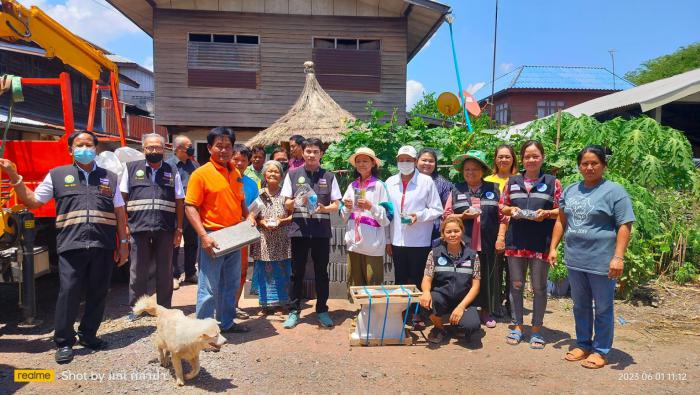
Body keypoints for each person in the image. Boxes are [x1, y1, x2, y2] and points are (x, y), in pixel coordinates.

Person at [0, 131, 129, 363]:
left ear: (96, 149)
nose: (85, 148)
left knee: (99, 293)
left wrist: (124, 243)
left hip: (103, 243)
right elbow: (33, 201)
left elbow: (119, 211)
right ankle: (64, 342)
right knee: (69, 292)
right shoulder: (57, 175)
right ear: (70, 150)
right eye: (79, 145)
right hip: (71, 244)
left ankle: (89, 335)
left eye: (89, 145)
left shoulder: (109, 177)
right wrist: (14, 176)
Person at [549, 145, 635, 369]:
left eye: (594, 163)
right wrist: (553, 247)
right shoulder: (570, 190)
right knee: (580, 305)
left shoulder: (614, 191)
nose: (589, 167)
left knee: (604, 307)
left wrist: (618, 257)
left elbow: (625, 225)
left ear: (603, 165)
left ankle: (600, 350)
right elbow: (561, 220)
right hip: (575, 259)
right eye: (585, 163)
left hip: (602, 261)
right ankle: (583, 343)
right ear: (579, 166)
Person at [185, 127, 250, 333]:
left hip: (235, 234)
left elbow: (240, 201)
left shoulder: (236, 172)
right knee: (209, 286)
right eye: (219, 146)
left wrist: (248, 215)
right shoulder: (200, 174)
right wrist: (203, 236)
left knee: (230, 284)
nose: (223, 150)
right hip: (213, 235)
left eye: (227, 146)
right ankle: (203, 330)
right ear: (210, 148)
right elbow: (190, 207)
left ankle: (227, 323)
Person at [500, 140, 561, 348]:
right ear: (522, 159)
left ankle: (536, 330)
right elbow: (503, 206)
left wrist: (546, 213)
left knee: (539, 287)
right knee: (516, 286)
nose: (531, 160)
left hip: (540, 242)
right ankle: (517, 327)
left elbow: (560, 212)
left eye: (535, 156)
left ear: (542, 157)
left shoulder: (553, 182)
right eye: (527, 156)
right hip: (516, 241)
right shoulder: (512, 181)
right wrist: (512, 211)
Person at [281, 137, 341, 328]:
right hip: (299, 230)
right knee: (296, 272)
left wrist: (324, 209)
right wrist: (298, 201)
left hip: (321, 231)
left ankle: (322, 310)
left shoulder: (329, 176)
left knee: (321, 272)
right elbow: (286, 203)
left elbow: (336, 205)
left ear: (321, 154)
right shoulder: (292, 174)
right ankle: (293, 311)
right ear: (302, 152)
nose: (312, 155)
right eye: (308, 151)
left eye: (316, 151)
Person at [121, 133, 184, 314]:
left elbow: (180, 201)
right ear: (143, 149)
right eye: (150, 147)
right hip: (138, 227)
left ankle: (164, 308)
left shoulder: (172, 171)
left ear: (164, 150)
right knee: (138, 270)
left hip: (165, 228)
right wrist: (125, 225)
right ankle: (137, 309)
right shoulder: (131, 168)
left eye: (158, 147)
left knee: (165, 271)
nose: (154, 150)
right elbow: (122, 199)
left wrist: (179, 228)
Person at [444, 150, 504, 329]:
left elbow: (503, 216)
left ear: (483, 171)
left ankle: (486, 310)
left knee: (487, 276)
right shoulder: (456, 189)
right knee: (464, 277)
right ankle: (464, 309)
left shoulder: (494, 189)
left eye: (475, 169)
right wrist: (461, 216)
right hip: (463, 243)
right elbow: (447, 216)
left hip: (488, 241)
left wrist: (500, 237)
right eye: (467, 169)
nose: (471, 172)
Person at [385, 145, 443, 310]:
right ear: (397, 161)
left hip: (419, 241)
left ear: (415, 162)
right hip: (397, 240)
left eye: (409, 160)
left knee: (418, 279)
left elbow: (437, 209)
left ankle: (418, 314)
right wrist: (388, 240)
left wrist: (419, 216)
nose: (405, 163)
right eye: (401, 160)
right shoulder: (390, 182)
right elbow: (388, 213)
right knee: (400, 279)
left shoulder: (426, 181)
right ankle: (401, 312)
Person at [419, 217, 481, 344]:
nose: (452, 235)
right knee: (425, 302)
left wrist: (461, 307)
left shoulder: (473, 255)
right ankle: (439, 328)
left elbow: (475, 287)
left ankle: (456, 325)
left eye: (456, 231)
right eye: (448, 232)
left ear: (462, 232)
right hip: (442, 297)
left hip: (464, 300)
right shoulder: (434, 254)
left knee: (472, 327)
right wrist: (425, 291)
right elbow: (427, 278)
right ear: (443, 234)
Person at [340, 147, 392, 293]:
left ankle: (372, 314)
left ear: (373, 163)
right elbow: (343, 216)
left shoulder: (379, 186)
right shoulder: (352, 186)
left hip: (372, 244)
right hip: (354, 243)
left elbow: (387, 217)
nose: (361, 164)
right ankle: (360, 313)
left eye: (365, 161)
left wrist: (372, 207)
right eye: (358, 161)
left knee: (372, 280)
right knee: (355, 281)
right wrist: (347, 207)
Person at [248, 160, 293, 314]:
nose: (273, 174)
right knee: (264, 270)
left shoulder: (286, 195)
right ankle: (265, 304)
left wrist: (282, 221)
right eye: (270, 171)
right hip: (264, 238)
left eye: (277, 172)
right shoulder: (258, 194)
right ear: (264, 174)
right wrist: (262, 222)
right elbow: (251, 216)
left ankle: (281, 304)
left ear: (281, 176)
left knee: (282, 270)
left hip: (282, 238)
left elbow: (294, 215)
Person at [484, 144, 518, 320]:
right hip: (493, 230)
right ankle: (494, 303)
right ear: (495, 159)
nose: (503, 160)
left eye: (507, 156)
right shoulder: (488, 180)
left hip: (517, 230)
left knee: (514, 271)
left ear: (513, 159)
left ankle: (512, 304)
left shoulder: (519, 180)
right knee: (495, 269)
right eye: (500, 156)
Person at [167, 135, 200, 290]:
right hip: (174, 210)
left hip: (192, 210)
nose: (191, 148)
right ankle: (173, 275)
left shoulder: (194, 165)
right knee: (174, 243)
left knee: (192, 242)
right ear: (179, 149)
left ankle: (190, 272)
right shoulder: (168, 165)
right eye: (188, 146)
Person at [232, 144, 261, 319]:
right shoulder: (224, 180)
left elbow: (255, 208)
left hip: (243, 233)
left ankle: (234, 305)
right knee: (222, 271)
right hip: (223, 231)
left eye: (243, 160)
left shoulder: (252, 184)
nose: (239, 163)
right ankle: (219, 306)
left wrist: (251, 216)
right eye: (236, 159)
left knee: (242, 270)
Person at [416, 148, 453, 242]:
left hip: (435, 232)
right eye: (424, 160)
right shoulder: (407, 181)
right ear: (416, 161)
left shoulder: (443, 183)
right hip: (412, 228)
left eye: (431, 161)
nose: (427, 163)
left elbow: (447, 208)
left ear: (435, 164)